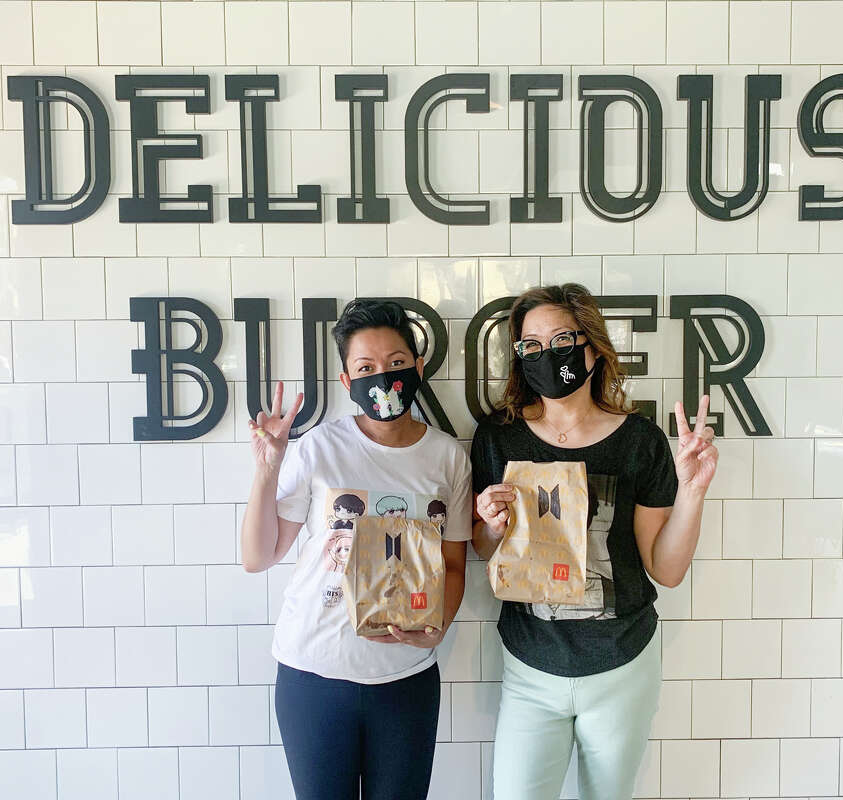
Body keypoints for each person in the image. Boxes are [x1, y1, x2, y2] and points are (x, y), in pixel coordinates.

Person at [471, 283, 718, 800]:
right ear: (519, 358)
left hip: (622, 663)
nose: (547, 354)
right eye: (531, 345)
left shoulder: (639, 440)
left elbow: (665, 569)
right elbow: (481, 548)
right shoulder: (499, 436)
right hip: (531, 664)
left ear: (591, 345)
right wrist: (491, 526)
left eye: (562, 338)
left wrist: (692, 492)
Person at [241, 298, 472, 800]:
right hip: (314, 675)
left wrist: (437, 626)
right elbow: (257, 556)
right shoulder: (319, 447)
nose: (381, 377)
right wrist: (268, 468)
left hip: (406, 680)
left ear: (417, 367)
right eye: (365, 368)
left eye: (395, 363)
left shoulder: (448, 458)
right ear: (347, 382)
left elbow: (455, 564)